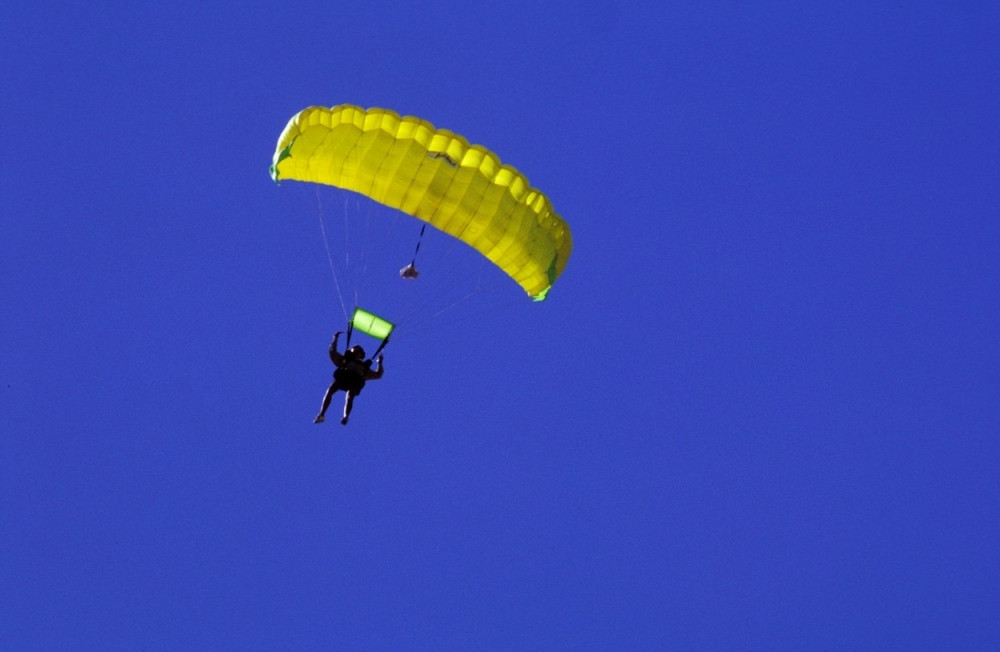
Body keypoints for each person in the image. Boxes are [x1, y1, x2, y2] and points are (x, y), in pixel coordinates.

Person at [314, 332, 384, 425]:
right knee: (330, 390)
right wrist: (335, 338)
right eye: (353, 349)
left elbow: (378, 374)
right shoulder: (344, 359)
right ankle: (322, 414)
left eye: (357, 350)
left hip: (355, 380)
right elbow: (332, 352)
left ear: (361, 355)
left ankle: (346, 416)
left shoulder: (364, 367)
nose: (354, 350)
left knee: (350, 395)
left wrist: (379, 363)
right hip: (344, 376)